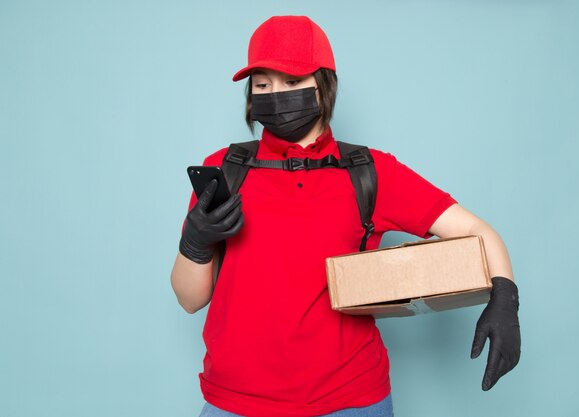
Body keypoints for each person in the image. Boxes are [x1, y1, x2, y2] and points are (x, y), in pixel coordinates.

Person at [170, 15, 521, 417]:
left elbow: (476, 231)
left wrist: (505, 299)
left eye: (290, 81)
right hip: (235, 401)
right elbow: (189, 299)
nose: (274, 94)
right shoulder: (225, 168)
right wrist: (194, 242)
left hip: (350, 400)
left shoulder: (370, 171)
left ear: (323, 86)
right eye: (263, 84)